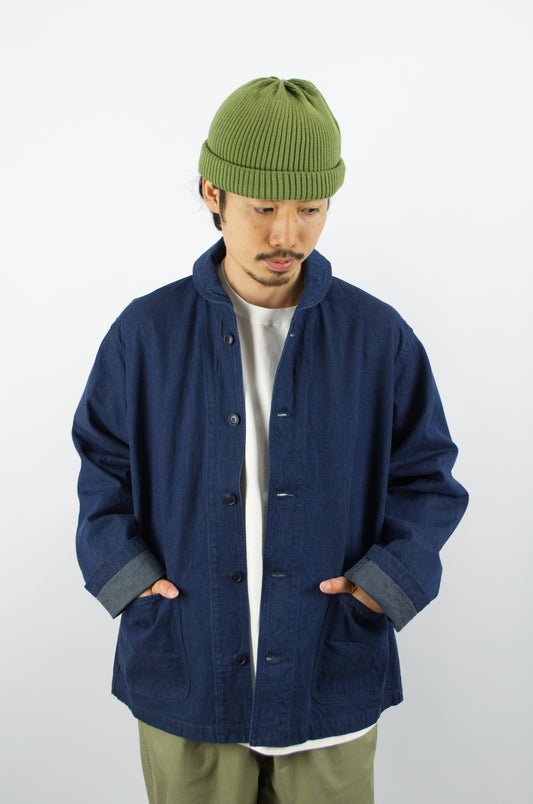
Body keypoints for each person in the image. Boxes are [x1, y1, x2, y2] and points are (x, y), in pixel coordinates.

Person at [73, 77, 468, 804]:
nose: (287, 235)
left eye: (310, 208)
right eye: (263, 208)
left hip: (328, 666)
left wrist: (381, 586)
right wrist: (130, 581)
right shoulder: (146, 334)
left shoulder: (376, 336)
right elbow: (102, 466)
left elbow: (427, 478)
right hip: (186, 665)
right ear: (213, 193)